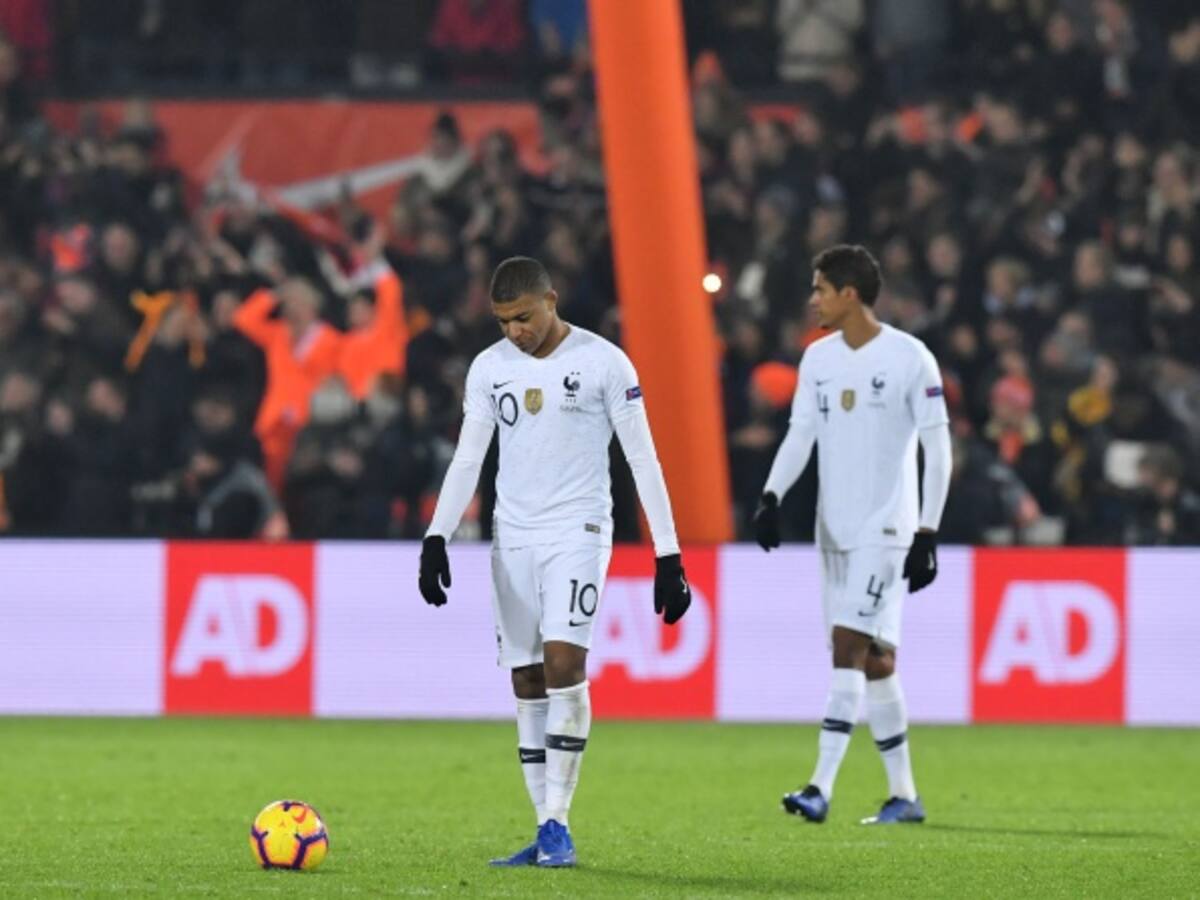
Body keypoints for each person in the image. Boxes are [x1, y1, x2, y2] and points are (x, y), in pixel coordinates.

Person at [417, 257, 691, 867]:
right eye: (502, 321)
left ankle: (559, 823)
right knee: (526, 678)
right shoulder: (490, 368)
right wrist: (437, 536)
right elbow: (469, 458)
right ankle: (543, 826)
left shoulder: (605, 363)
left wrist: (667, 553)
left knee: (564, 662)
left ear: (551, 300)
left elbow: (643, 460)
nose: (514, 331)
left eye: (523, 317)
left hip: (578, 530)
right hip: (512, 535)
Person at [753, 244, 952, 825]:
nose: (812, 300)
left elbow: (938, 448)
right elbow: (800, 434)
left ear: (849, 293)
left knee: (847, 645)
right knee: (876, 659)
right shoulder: (817, 359)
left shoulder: (910, 358)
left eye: (819, 289)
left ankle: (819, 787)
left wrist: (927, 530)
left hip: (887, 529)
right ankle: (904, 795)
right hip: (833, 529)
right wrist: (772, 495)